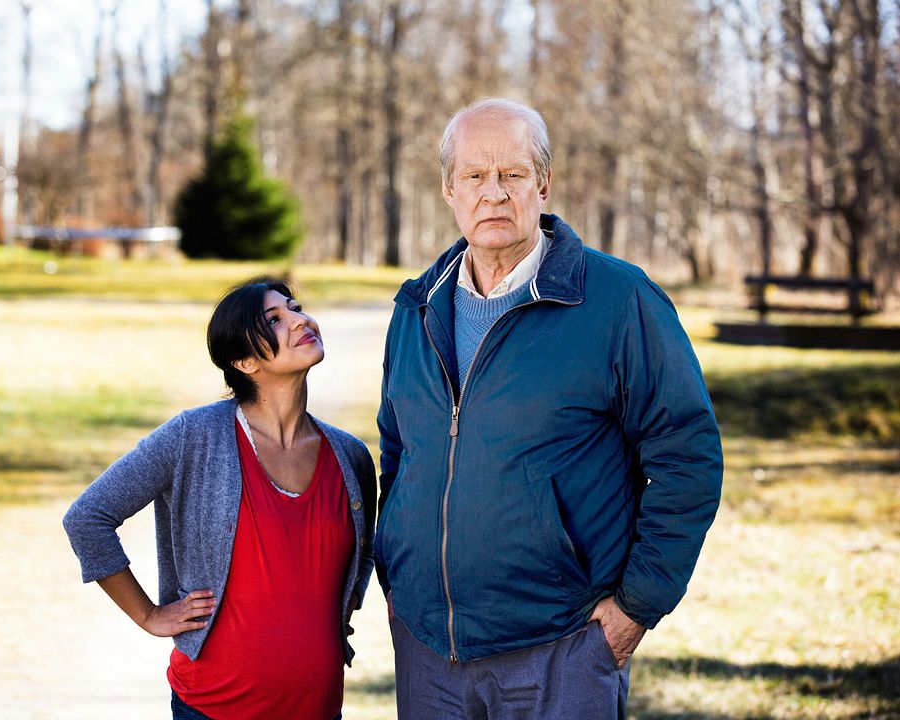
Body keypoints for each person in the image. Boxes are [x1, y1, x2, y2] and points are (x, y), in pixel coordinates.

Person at [374, 98, 724, 718]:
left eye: (512, 175)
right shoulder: (415, 309)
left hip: (562, 650)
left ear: (543, 184)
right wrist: (399, 575)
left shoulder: (618, 300)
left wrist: (637, 607)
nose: (495, 194)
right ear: (450, 190)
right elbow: (399, 454)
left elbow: (687, 457)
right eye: (476, 177)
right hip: (429, 650)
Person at [64, 277, 376, 720]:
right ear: (245, 360)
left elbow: (362, 556)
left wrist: (343, 611)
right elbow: (88, 519)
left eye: (295, 308)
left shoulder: (350, 456)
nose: (299, 320)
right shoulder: (194, 436)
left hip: (319, 708)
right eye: (274, 319)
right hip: (212, 707)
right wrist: (149, 615)